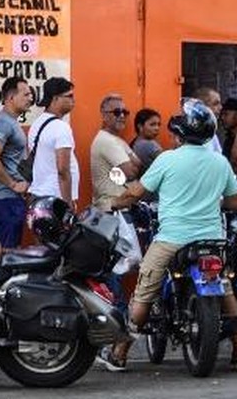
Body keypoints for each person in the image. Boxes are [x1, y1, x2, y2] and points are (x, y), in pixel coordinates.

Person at [101, 99, 237, 372]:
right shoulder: (219, 162)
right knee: (225, 287)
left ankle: (120, 353)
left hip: (172, 238)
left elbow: (136, 192)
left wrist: (113, 203)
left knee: (144, 292)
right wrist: (212, 201)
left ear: (181, 134)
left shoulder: (167, 159)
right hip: (211, 241)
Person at [90, 94, 142, 317]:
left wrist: (126, 167)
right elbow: (132, 170)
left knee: (123, 264)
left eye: (124, 112)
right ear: (103, 115)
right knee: (116, 268)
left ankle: (117, 311)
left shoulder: (116, 140)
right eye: (116, 112)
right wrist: (127, 168)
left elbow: (137, 164)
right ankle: (116, 312)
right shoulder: (106, 141)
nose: (122, 116)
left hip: (120, 210)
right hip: (112, 212)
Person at [0, 76, 33, 255]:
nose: (30, 98)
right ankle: (2, 283)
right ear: (11, 98)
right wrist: (12, 184)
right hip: (5, 198)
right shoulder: (3, 123)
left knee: (3, 251)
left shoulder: (10, 122)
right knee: (8, 254)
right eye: (26, 94)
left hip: (8, 199)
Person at [27, 77, 79, 208]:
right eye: (69, 96)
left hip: (38, 196)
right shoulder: (61, 127)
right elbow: (63, 170)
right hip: (55, 200)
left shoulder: (36, 124)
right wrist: (67, 204)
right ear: (55, 99)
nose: (73, 100)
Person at [193, 87, 224, 154]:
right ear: (201, 107)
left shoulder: (210, 133)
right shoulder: (193, 133)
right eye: (215, 104)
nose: (221, 107)